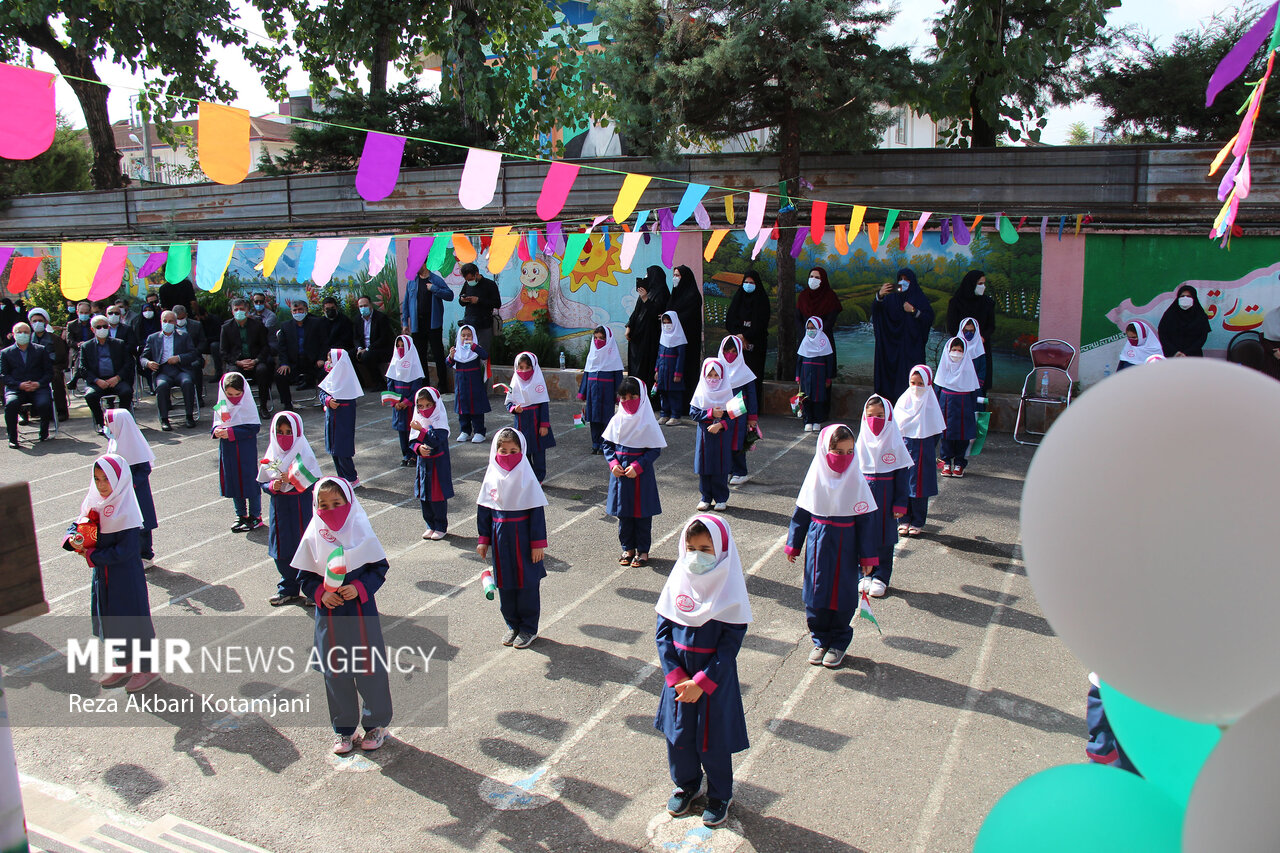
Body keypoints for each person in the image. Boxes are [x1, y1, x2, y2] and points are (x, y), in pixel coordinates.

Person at [654, 514, 751, 829]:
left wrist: (702, 682)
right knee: (680, 737)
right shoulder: (677, 581)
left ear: (721, 549)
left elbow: (728, 648)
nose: (697, 555)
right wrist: (676, 677)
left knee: (713, 739)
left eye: (706, 548)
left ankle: (720, 793)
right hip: (679, 683)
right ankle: (687, 784)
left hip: (713, 682)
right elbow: (663, 633)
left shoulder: (730, 590)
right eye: (691, 547)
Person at [293, 477, 394, 754]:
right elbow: (305, 576)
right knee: (335, 673)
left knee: (369, 671)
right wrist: (320, 595)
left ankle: (376, 724)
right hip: (330, 619)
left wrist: (359, 587)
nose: (331, 509)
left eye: (337, 503)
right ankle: (343, 729)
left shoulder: (361, 530)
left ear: (349, 502)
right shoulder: (314, 534)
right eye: (323, 504)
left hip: (361, 615)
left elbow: (379, 569)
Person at [64, 454, 159, 693]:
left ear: (119, 479)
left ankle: (145, 669)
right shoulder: (94, 501)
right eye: (97, 479)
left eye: (107, 479)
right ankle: (123, 662)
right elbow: (77, 525)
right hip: (103, 576)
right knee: (109, 617)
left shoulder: (126, 509)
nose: (101, 485)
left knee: (132, 620)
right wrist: (72, 539)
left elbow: (126, 551)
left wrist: (91, 556)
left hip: (125, 577)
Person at [785, 424, 878, 667]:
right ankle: (820, 639)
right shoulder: (815, 479)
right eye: (837, 452)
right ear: (825, 451)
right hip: (818, 544)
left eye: (849, 452)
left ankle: (838, 641)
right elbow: (802, 514)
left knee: (843, 596)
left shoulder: (857, 482)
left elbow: (867, 523)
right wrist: (793, 544)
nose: (844, 458)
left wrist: (868, 557)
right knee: (816, 594)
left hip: (846, 548)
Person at [476, 428, 549, 649]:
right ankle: (512, 624)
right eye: (503, 451)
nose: (508, 455)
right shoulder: (491, 475)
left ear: (522, 451)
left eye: (514, 450)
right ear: (495, 452)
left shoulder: (527, 478)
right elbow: (485, 511)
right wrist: (483, 539)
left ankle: (528, 628)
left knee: (526, 584)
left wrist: (538, 543)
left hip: (524, 540)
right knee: (505, 584)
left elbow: (537, 513)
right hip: (500, 541)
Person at [257, 412, 321, 607]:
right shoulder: (272, 454)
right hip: (280, 508)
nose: (283, 437)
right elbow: (263, 481)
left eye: (288, 432)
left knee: (305, 547)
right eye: (279, 432)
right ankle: (288, 588)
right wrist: (272, 487)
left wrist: (294, 479)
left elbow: (315, 483)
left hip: (301, 507)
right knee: (282, 548)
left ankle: (312, 588)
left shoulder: (305, 453)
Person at [604, 377, 666, 568]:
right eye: (623, 397)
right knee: (624, 515)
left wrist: (639, 466)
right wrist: (613, 464)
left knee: (642, 515)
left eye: (633, 396)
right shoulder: (617, 420)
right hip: (621, 477)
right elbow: (608, 445)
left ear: (643, 397)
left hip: (641, 477)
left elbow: (655, 449)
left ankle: (643, 550)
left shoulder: (648, 422)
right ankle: (627, 548)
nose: (628, 401)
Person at [855, 395, 910, 598]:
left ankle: (881, 576)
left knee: (885, 539)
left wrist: (900, 504)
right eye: (871, 416)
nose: (875, 420)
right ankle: (863, 574)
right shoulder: (860, 443)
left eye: (880, 415)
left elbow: (903, 478)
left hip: (887, 501)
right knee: (863, 536)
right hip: (864, 500)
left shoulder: (895, 443)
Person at [895, 365, 945, 537]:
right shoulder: (903, 402)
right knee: (902, 485)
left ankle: (917, 521)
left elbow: (936, 432)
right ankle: (903, 519)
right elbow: (895, 428)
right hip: (904, 449)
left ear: (928, 384)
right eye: (913, 383)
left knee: (920, 489)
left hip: (924, 451)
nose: (916, 387)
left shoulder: (931, 406)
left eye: (921, 383)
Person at [103, 408, 157, 565]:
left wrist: (130, 484)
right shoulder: (115, 442)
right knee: (125, 523)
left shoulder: (134, 444)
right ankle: (131, 552)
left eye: (108, 422)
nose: (106, 426)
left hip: (137, 492)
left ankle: (146, 554)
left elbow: (145, 469)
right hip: (120, 493)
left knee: (142, 523)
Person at [872, 268, 935, 401]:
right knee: (890, 382)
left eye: (907, 279)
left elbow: (928, 318)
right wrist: (880, 295)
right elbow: (878, 314)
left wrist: (913, 310)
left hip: (911, 348)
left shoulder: (918, 297)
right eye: (900, 279)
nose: (903, 282)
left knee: (910, 379)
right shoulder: (891, 298)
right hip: (891, 348)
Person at [212, 373, 264, 532]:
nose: (234, 398)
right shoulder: (222, 404)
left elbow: (254, 427)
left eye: (237, 394)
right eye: (230, 394)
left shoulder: (248, 404)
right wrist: (218, 431)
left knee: (249, 479)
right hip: (228, 449)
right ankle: (240, 514)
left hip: (245, 448)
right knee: (233, 479)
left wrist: (232, 433)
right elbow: (216, 422)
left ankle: (256, 515)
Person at [140, 310, 200, 430]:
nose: (167, 323)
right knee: (161, 386)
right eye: (165, 321)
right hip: (163, 371)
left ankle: (189, 416)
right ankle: (164, 419)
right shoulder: (153, 338)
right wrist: (148, 363)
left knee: (187, 383)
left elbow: (193, 354)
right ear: (161, 322)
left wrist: (179, 358)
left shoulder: (183, 336)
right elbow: (143, 357)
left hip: (180, 370)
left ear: (175, 322)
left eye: (171, 321)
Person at [690, 357, 734, 511]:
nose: (713, 379)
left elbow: (734, 416)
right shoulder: (700, 392)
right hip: (704, 437)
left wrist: (722, 424)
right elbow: (694, 413)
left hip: (721, 436)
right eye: (710, 375)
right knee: (704, 466)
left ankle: (721, 497)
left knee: (720, 466)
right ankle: (705, 497)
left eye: (716, 375)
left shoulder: (729, 392)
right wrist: (710, 413)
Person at [409, 386, 453, 540]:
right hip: (423, 464)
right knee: (424, 495)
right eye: (420, 406)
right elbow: (412, 441)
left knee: (437, 495)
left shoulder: (440, 420)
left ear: (435, 404)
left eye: (428, 405)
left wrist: (422, 430)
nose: (424, 409)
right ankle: (430, 524)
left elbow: (435, 440)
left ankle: (440, 526)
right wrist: (418, 448)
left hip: (437, 465)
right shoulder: (418, 419)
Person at [219, 297, 275, 419]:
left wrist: (256, 360)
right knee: (234, 375)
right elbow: (223, 352)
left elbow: (265, 347)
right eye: (236, 309)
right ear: (232, 312)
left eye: (242, 309)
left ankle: (263, 406)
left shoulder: (257, 325)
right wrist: (238, 362)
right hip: (237, 362)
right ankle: (238, 408)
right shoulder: (226, 328)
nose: (239, 311)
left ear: (247, 310)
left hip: (255, 361)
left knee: (263, 370)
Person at [504, 351, 556, 482]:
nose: (524, 371)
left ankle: (539, 477)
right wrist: (514, 409)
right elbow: (509, 402)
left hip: (536, 423)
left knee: (539, 452)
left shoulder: (538, 383)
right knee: (523, 450)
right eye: (520, 368)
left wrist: (544, 425)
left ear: (534, 367)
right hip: (521, 424)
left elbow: (544, 404)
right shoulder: (514, 383)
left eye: (527, 367)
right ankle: (528, 476)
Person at [402, 270, 455, 394]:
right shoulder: (411, 282)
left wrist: (434, 289)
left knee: (438, 354)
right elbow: (406, 304)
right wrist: (405, 323)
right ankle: (424, 385)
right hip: (417, 324)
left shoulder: (435, 279)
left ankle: (443, 385)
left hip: (433, 323)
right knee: (420, 356)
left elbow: (449, 295)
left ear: (424, 263)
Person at [1, 321, 54, 447]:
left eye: (26, 332)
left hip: (38, 388)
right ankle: (12, 438)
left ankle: (44, 431)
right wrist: (19, 385)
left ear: (30, 334)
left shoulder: (40, 350)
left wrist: (38, 383)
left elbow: (49, 373)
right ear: (13, 335)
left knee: (44, 403)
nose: (23, 335)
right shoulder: (5, 353)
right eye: (19, 332)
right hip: (16, 389)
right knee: (11, 404)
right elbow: (3, 375)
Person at [81, 315, 135, 435]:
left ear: (109, 327)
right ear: (92, 329)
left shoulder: (119, 344)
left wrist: (117, 377)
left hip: (116, 380)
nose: (102, 329)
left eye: (105, 326)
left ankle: (122, 422)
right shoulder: (86, 346)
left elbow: (128, 363)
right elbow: (83, 368)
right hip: (98, 382)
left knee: (126, 392)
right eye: (98, 327)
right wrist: (96, 380)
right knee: (90, 396)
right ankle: (101, 423)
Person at [935, 337, 980, 478]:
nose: (956, 353)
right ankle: (945, 463)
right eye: (953, 350)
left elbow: (974, 393)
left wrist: (975, 409)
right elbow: (937, 389)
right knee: (946, 436)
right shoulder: (944, 368)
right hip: (946, 404)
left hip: (964, 405)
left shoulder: (968, 369)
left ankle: (960, 463)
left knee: (963, 435)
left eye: (960, 350)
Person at [716, 335, 759, 486]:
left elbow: (752, 395)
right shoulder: (717, 370)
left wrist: (752, 417)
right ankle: (729, 469)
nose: (730, 354)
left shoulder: (745, 372)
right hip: (722, 412)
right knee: (724, 441)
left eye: (734, 351)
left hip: (739, 412)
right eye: (727, 350)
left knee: (738, 442)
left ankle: (741, 472)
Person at [725, 270, 771, 403]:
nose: (748, 285)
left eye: (751, 282)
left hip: (756, 346)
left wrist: (746, 336)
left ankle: (753, 408)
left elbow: (761, 323)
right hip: (737, 345)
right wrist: (739, 336)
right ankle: (736, 406)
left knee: (753, 376)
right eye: (746, 282)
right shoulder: (738, 298)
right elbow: (730, 320)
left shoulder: (762, 300)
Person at [578, 325, 625, 454]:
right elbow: (587, 374)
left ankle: (606, 444)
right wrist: (583, 393)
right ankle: (595, 443)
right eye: (596, 338)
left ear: (608, 339)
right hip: (593, 393)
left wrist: (619, 395)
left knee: (606, 418)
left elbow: (618, 378)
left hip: (607, 393)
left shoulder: (613, 356)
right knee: (593, 418)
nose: (598, 341)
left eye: (602, 338)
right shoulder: (592, 355)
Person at [318, 348, 362, 487]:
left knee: (343, 450)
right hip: (331, 420)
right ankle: (341, 477)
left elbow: (349, 399)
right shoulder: (330, 378)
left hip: (343, 422)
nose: (328, 363)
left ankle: (351, 477)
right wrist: (327, 400)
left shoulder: (348, 380)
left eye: (331, 360)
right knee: (333, 450)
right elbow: (322, 392)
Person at [946, 270, 996, 391]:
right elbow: (952, 326)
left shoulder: (988, 303)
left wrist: (982, 338)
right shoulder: (956, 302)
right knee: (961, 383)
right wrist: (963, 340)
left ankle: (979, 408)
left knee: (980, 383)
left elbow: (991, 326)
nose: (982, 286)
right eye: (979, 283)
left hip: (981, 348)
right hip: (961, 348)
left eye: (984, 283)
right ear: (971, 284)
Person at [275, 300, 326, 410]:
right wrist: (284, 363)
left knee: (326, 372)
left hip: (313, 362)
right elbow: (282, 348)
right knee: (280, 375)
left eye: (300, 310)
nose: (298, 312)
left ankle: (325, 400)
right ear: (291, 312)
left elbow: (324, 343)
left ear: (306, 310)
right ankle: (287, 404)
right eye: (295, 310)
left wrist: (322, 358)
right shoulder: (285, 326)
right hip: (294, 363)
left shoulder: (316, 323)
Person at [624, 266, 669, 389]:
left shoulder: (662, 293)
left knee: (646, 366)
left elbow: (657, 313)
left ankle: (648, 395)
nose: (645, 278)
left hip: (650, 337)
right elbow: (636, 311)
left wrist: (645, 299)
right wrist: (628, 326)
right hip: (638, 336)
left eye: (647, 275)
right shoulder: (647, 291)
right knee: (636, 367)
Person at [386, 335, 427, 467]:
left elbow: (417, 388)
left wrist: (406, 402)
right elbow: (390, 385)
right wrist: (394, 402)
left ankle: (414, 455)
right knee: (402, 431)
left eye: (403, 346)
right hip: (398, 406)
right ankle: (405, 454)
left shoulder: (414, 364)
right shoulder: (394, 363)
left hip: (410, 406)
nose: (400, 348)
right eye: (398, 346)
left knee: (413, 431)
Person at [668, 265, 704, 410]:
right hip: (673, 342)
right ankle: (673, 407)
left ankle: (687, 405)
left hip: (688, 342)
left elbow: (688, 317)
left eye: (678, 275)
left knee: (687, 371)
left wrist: (672, 320)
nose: (675, 278)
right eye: (674, 275)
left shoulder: (693, 296)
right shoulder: (675, 294)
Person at [448, 324, 490, 443]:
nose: (466, 338)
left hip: (475, 385)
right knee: (463, 409)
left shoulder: (476, 349)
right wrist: (451, 355)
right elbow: (449, 363)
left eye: (469, 335)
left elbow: (485, 355)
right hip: (461, 386)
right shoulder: (456, 351)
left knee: (476, 408)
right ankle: (465, 431)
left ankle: (479, 431)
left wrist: (474, 347)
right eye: (463, 335)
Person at [28, 308, 69, 422]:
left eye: (40, 320)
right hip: (33, 368)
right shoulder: (28, 339)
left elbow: (61, 357)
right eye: (34, 321)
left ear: (46, 322)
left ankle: (61, 411)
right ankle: (32, 411)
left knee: (55, 377)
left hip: (52, 367)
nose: (37, 323)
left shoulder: (55, 339)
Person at [796, 317, 836, 432]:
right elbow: (799, 360)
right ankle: (808, 420)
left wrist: (828, 378)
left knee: (818, 398)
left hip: (820, 375)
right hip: (805, 374)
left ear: (819, 328)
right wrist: (798, 376)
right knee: (806, 397)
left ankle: (817, 421)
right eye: (808, 328)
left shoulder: (825, 342)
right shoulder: (804, 342)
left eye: (813, 328)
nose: (810, 331)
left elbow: (829, 361)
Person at [459, 262, 502, 355]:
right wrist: (463, 300)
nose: (469, 281)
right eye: (467, 280)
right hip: (469, 323)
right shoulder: (467, 284)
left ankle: (483, 369)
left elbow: (497, 304)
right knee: (467, 353)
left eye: (471, 279)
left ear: (477, 274)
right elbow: (461, 301)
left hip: (484, 324)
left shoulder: (490, 284)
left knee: (482, 352)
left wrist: (479, 300)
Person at [797, 267, 842, 356]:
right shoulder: (803, 296)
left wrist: (817, 336)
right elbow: (797, 318)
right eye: (811, 276)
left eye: (817, 278)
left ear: (823, 280)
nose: (813, 279)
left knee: (824, 367)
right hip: (805, 340)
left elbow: (830, 320)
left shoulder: (830, 297)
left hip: (824, 341)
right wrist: (805, 335)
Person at [1158, 286, 1211, 358]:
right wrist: (1175, 352)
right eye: (1182, 296)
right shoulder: (1169, 315)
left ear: (1194, 298)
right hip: (1172, 356)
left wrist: (1186, 353)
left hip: (1193, 356)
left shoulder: (1200, 316)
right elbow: (1163, 335)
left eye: (1189, 296)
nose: (1185, 298)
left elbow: (1202, 338)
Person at [354, 295, 394, 389]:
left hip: (380, 348)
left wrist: (367, 349)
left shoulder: (381, 318)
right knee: (349, 355)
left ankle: (379, 382)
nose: (363, 308)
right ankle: (359, 384)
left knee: (367, 356)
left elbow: (384, 338)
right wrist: (359, 348)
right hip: (363, 348)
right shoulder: (357, 319)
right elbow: (356, 338)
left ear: (371, 305)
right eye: (361, 306)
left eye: (365, 305)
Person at [656, 311, 688, 425]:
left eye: (669, 322)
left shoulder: (680, 339)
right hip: (663, 371)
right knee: (663, 393)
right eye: (664, 323)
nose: (666, 325)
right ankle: (664, 414)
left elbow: (681, 358)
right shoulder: (662, 338)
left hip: (673, 371)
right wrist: (657, 370)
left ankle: (675, 415)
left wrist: (678, 373)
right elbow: (659, 355)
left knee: (674, 393)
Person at [172, 305, 208, 405]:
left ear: (186, 315)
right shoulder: (169, 326)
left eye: (182, 318)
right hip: (176, 358)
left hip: (194, 357)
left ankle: (198, 397)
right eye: (177, 319)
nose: (179, 321)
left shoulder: (196, 325)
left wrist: (194, 353)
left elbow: (203, 342)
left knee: (196, 366)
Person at [64, 300, 95, 391]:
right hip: (78, 350)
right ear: (77, 312)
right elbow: (69, 341)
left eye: (86, 312)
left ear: (90, 313)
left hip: (93, 349)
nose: (84, 314)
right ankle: (77, 376)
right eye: (81, 312)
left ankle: (75, 378)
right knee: (81, 354)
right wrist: (78, 344)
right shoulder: (71, 325)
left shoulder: (94, 323)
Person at [956, 316, 987, 396]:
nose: (968, 333)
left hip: (975, 389)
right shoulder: (956, 348)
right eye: (966, 331)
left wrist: (976, 386)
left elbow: (982, 370)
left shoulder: (979, 349)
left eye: (971, 331)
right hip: (958, 388)